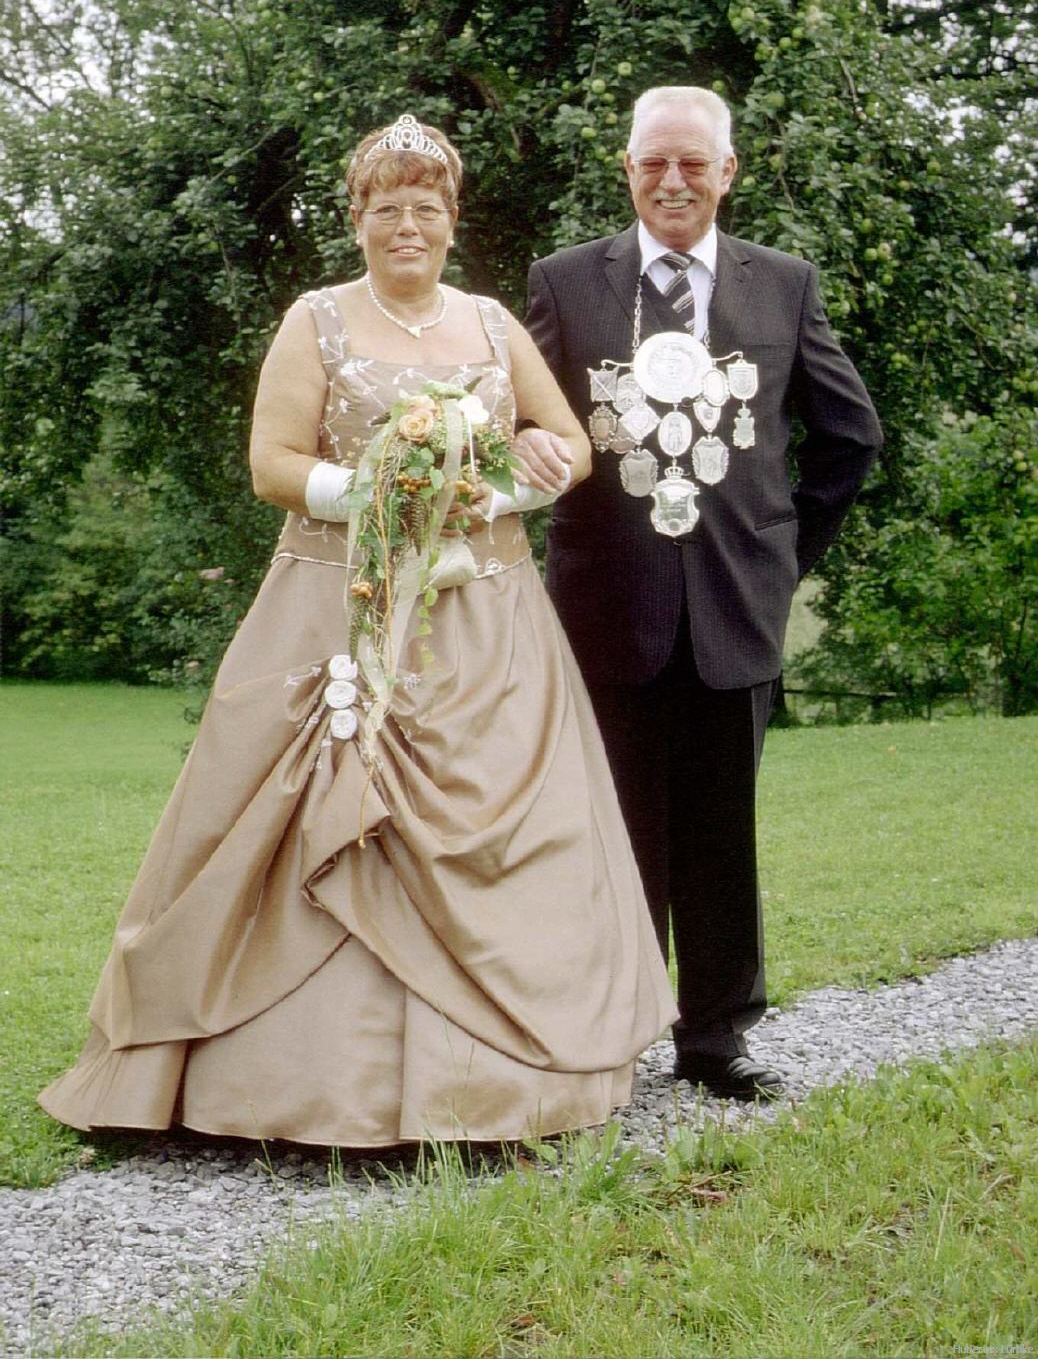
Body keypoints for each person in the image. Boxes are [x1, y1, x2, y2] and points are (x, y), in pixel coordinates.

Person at [39, 115, 676, 1148]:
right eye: (387, 209)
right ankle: (290, 1083)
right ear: (358, 220)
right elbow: (272, 464)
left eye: (425, 208)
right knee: (317, 812)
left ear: (452, 220)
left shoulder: (493, 325)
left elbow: (568, 442)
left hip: (486, 618)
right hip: (340, 608)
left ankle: (497, 1084)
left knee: (510, 829)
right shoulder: (317, 321)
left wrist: (521, 475)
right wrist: (386, 496)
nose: (406, 226)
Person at [517, 86, 882, 1100]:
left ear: (728, 171)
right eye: (653, 162)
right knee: (613, 830)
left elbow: (851, 437)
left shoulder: (785, 287)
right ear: (626, 169)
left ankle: (717, 1039)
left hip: (736, 607)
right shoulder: (565, 283)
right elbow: (523, 425)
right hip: (605, 610)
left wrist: (780, 557)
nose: (671, 181)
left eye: (692, 163)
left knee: (722, 832)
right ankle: (609, 1037)